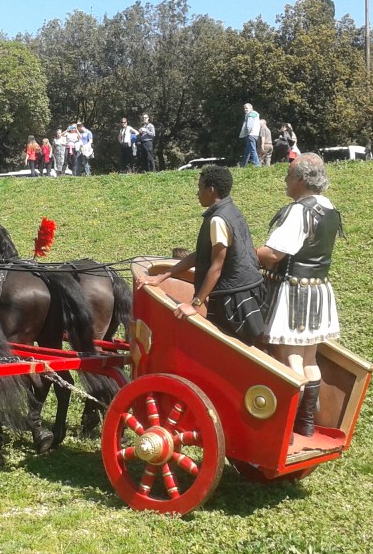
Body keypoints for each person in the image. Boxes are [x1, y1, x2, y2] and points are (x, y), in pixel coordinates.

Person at [257, 153, 342, 439]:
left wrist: (243, 252)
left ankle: (289, 427)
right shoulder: (328, 207)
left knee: (288, 357)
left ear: (302, 180)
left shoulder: (300, 211)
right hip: (317, 291)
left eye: (289, 175)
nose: (286, 180)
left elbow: (273, 254)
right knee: (309, 359)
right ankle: (305, 424)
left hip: (294, 294)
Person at [136, 165, 266, 345]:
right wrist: (161, 277)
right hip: (249, 288)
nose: (197, 193)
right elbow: (201, 255)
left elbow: (216, 267)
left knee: (247, 349)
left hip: (236, 297)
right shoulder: (230, 210)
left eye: (200, 187)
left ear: (211, 190)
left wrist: (194, 304)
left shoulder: (218, 220)